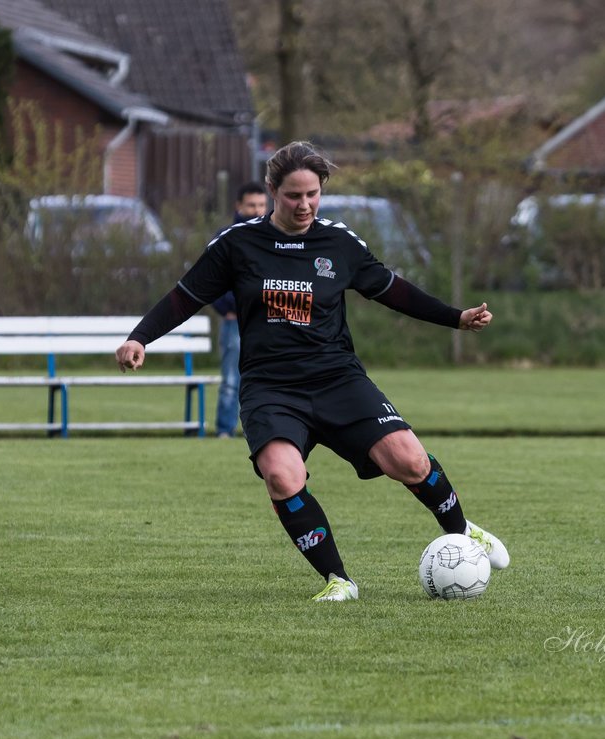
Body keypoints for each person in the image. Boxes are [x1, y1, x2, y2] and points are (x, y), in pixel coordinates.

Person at [116, 141, 509, 601]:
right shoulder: (237, 245)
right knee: (283, 476)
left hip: (337, 377)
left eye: (313, 194)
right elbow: (185, 296)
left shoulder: (338, 243)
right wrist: (140, 337)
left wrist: (455, 317)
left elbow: (391, 290)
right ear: (272, 190)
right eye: (293, 196)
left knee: (409, 459)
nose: (304, 205)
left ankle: (464, 531)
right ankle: (338, 581)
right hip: (270, 387)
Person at [211, 181, 268, 437]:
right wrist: (228, 308)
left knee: (265, 379)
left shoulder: (273, 236)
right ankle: (225, 430)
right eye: (251, 205)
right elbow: (210, 282)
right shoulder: (226, 238)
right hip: (235, 321)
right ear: (239, 206)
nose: (257, 210)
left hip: (266, 322)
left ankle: (260, 430)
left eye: (262, 205)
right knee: (231, 381)